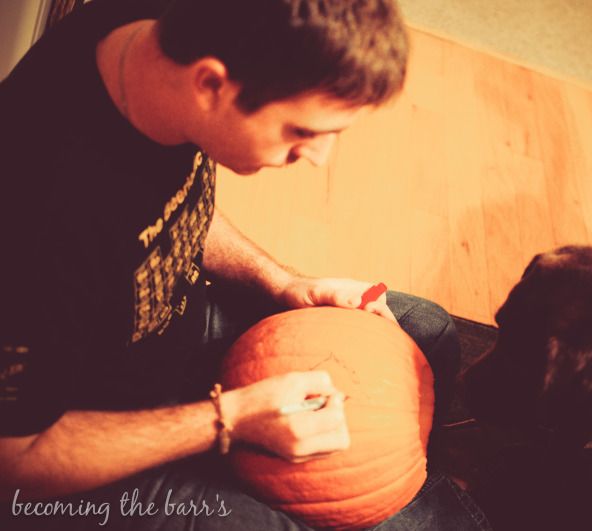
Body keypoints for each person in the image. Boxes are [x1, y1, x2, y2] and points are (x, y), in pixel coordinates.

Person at [0, 0, 492, 529]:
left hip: (170, 333)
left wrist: (284, 284)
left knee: (429, 331)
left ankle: (410, 479)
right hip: (86, 446)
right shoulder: (39, 216)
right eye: (302, 132)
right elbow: (17, 460)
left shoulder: (160, 43)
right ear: (211, 85)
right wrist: (228, 418)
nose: (320, 158)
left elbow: (173, 205)